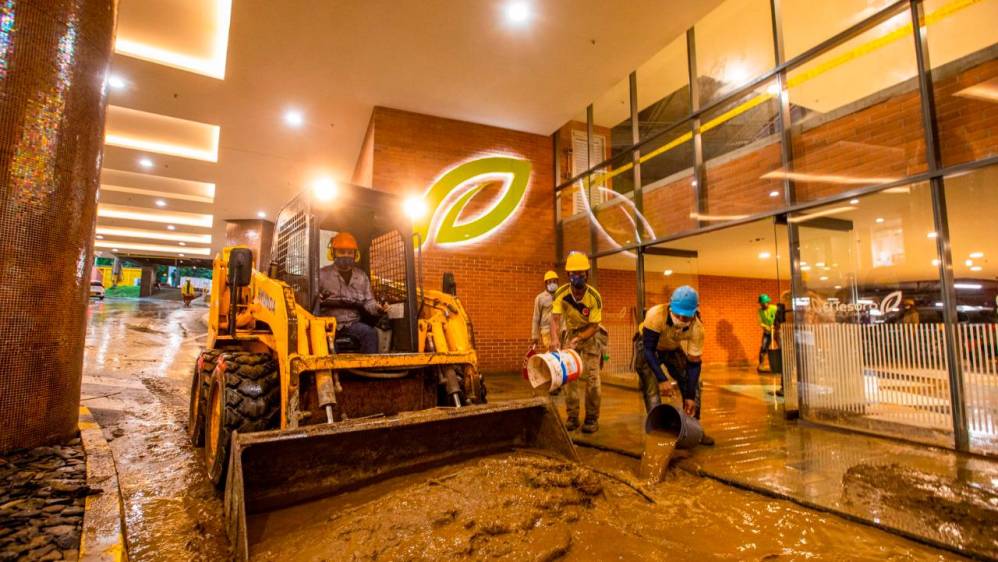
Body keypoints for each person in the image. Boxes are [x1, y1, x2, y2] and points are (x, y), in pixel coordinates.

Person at [633, 285, 714, 446]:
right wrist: (662, 379)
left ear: (694, 312)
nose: (681, 320)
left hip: (672, 347)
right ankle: (657, 432)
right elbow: (649, 350)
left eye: (686, 317)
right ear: (671, 306)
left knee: (694, 384)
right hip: (649, 347)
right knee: (652, 390)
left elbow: (693, 364)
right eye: (678, 315)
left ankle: (694, 430)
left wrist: (690, 395)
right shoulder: (656, 315)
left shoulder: (697, 328)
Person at [549, 252, 603, 433]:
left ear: (587, 274)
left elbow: (595, 326)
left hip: (590, 336)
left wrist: (580, 339)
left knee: (592, 380)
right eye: (573, 274)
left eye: (581, 274)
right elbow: (555, 319)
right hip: (570, 334)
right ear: (568, 275)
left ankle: (592, 418)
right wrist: (555, 338)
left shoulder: (594, 297)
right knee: (569, 378)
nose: (577, 277)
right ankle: (572, 417)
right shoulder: (561, 293)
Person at [318, 232, 387, 353]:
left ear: (355, 255)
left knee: (370, 333)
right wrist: (318, 299)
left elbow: (369, 302)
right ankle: (332, 371)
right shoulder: (322, 275)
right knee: (326, 343)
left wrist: (378, 308)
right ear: (333, 253)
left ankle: (370, 369)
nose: (346, 256)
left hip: (352, 323)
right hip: (327, 324)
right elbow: (310, 300)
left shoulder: (361, 277)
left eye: (350, 253)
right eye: (342, 252)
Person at [531, 271, 559, 351]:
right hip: (546, 331)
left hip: (560, 331)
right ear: (546, 283)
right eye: (550, 282)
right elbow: (536, 318)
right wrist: (535, 336)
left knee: (560, 354)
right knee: (553, 352)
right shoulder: (540, 298)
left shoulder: (561, 296)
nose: (552, 283)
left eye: (554, 281)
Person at [757, 294, 778, 373]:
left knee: (781, 346)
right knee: (763, 347)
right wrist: (766, 327)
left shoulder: (774, 308)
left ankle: (782, 364)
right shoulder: (760, 311)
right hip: (767, 332)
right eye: (761, 303)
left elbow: (779, 317)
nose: (762, 305)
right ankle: (761, 365)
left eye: (763, 303)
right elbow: (760, 322)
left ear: (767, 302)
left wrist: (775, 325)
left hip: (776, 331)